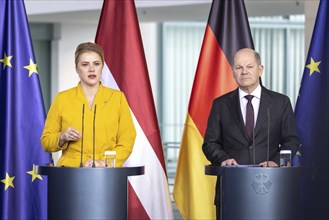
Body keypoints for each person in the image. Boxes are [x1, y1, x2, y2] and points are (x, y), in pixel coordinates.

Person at [202, 48, 300, 218]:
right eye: (239, 67)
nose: (244, 72)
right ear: (233, 72)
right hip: (232, 190)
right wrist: (223, 159)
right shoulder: (221, 105)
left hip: (272, 190)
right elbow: (210, 143)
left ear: (260, 69)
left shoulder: (280, 102)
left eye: (249, 66)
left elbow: (291, 140)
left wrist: (276, 162)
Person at [41, 42, 136, 168]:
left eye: (96, 64)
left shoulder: (117, 98)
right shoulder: (62, 99)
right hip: (70, 172)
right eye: (85, 64)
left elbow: (127, 140)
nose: (91, 69)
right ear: (76, 69)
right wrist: (62, 136)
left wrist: (104, 162)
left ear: (102, 67)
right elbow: (46, 142)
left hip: (107, 173)